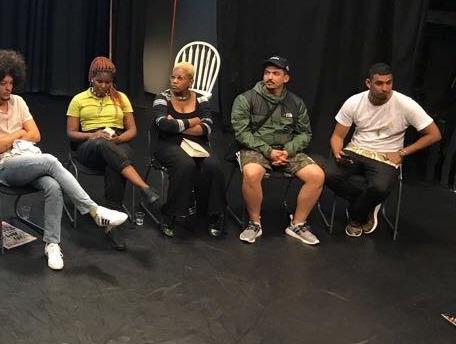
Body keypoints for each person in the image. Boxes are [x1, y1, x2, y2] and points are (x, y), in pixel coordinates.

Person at [0, 50, 129, 270]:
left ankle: (52, 244)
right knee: (50, 161)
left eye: (11, 83)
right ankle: (94, 211)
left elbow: (35, 135)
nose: (8, 88)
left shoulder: (18, 102)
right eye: (3, 84)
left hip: (25, 159)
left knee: (53, 186)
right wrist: (19, 133)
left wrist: (11, 138)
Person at [323, 63, 441, 237]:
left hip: (386, 155)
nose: (385, 88)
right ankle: (366, 203)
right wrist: (337, 152)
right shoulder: (354, 102)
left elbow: (434, 134)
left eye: (389, 83)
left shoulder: (406, 104)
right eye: (379, 83)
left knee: (380, 188)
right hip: (356, 150)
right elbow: (337, 136)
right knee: (327, 174)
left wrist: (402, 153)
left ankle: (356, 217)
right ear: (368, 83)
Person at [66, 56, 160, 249]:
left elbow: (132, 130)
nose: (103, 86)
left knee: (113, 164)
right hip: (88, 146)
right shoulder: (79, 99)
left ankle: (111, 224)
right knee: (102, 144)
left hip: (117, 143)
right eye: (99, 81)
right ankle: (143, 187)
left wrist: (117, 139)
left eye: (107, 82)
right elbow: (71, 133)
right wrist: (93, 135)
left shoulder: (121, 98)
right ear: (91, 78)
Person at [230, 56, 324, 246]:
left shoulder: (296, 103)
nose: (270, 77)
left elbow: (305, 133)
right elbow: (241, 133)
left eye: (276, 73)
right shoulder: (245, 99)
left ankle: (297, 224)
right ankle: (254, 223)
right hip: (256, 148)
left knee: (317, 176)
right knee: (251, 173)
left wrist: (287, 151)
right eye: (267, 73)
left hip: (286, 150)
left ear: (286, 78)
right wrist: (268, 151)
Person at [151, 62, 227, 238]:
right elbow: (163, 124)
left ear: (190, 81)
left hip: (196, 143)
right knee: (185, 164)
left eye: (180, 78)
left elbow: (207, 126)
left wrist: (177, 125)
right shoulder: (162, 97)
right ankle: (171, 213)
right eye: (173, 77)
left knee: (213, 165)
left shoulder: (201, 99)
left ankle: (214, 213)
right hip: (168, 143)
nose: (174, 81)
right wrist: (193, 121)